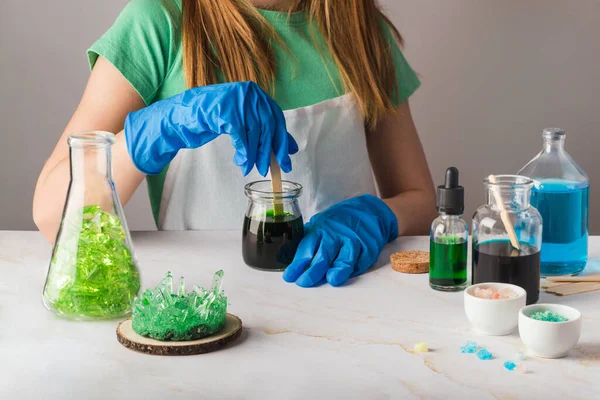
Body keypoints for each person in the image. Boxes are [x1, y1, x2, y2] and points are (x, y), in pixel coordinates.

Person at [33, 0, 437, 287]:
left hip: (348, 298)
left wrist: (375, 217)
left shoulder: (360, 27)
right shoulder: (158, 22)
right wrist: (152, 133)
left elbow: (420, 200)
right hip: (208, 310)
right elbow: (53, 215)